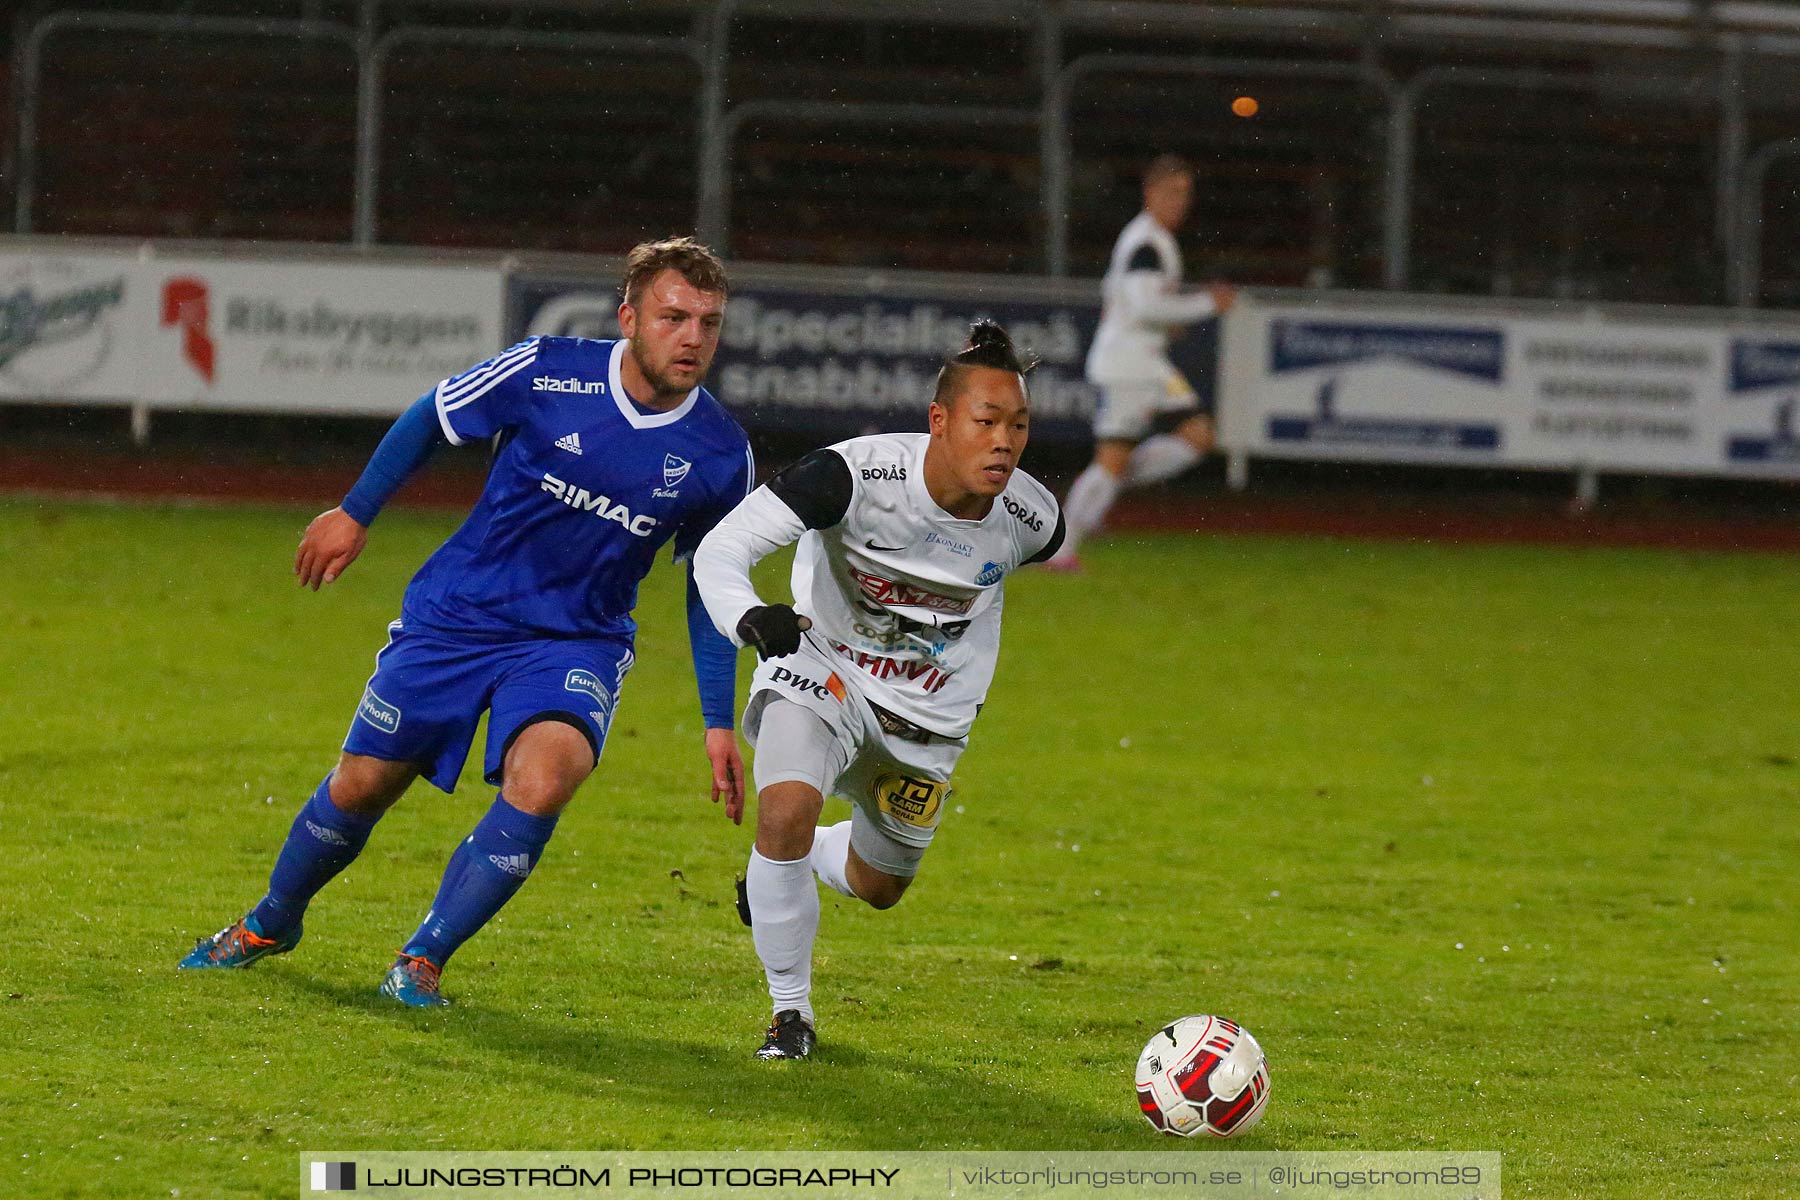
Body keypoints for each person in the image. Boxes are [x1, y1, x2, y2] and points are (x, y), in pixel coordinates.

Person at [178, 237, 755, 1007]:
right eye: (673, 317)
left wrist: (719, 718)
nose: (691, 339)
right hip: (460, 615)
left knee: (549, 776)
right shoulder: (546, 367)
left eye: (708, 324)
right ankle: (272, 921)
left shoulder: (722, 455)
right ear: (628, 318)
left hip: (575, 640)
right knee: (362, 786)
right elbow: (431, 416)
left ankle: (422, 959)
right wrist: (355, 512)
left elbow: (709, 585)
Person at [692, 321, 1064, 1059]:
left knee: (879, 885)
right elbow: (721, 549)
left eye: (1018, 425)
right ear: (940, 421)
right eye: (986, 421)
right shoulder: (854, 476)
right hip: (822, 669)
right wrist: (750, 619)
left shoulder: (1036, 522)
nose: (1005, 442)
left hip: (929, 721)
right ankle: (789, 1015)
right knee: (786, 808)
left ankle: (786, 871)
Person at [1046, 154, 1237, 570]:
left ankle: (1103, 490)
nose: (1180, 201)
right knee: (1113, 458)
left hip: (1150, 364)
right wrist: (1208, 303)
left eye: (1185, 193)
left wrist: (1165, 323)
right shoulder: (1146, 243)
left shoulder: (1154, 240)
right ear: (1150, 193)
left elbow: (1131, 300)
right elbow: (1146, 305)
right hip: (1127, 365)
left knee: (1198, 435)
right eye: (1171, 192)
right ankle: (1062, 547)